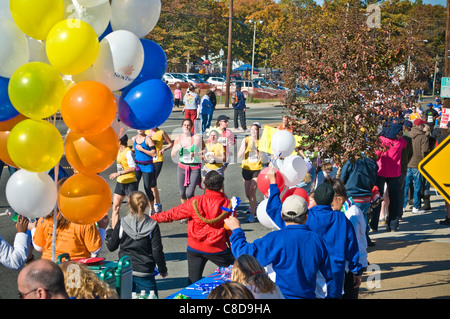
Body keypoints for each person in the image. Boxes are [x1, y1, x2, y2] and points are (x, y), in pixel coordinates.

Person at [225, 195, 334, 299]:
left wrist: (236, 230)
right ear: (306, 216)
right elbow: (329, 276)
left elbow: (244, 254)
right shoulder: (317, 240)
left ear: (281, 215)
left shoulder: (275, 239)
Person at [151, 171, 235, 285]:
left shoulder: (195, 202)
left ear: (204, 185)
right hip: (217, 248)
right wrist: (235, 250)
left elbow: (173, 214)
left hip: (195, 247)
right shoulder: (227, 205)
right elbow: (231, 230)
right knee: (238, 274)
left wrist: (151, 218)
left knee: (192, 283)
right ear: (221, 186)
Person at [106, 191, 168, 296]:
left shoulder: (122, 223)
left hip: (125, 269)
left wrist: (109, 232)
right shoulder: (152, 225)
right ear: (146, 205)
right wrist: (162, 269)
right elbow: (157, 251)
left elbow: (111, 246)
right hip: (145, 271)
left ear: (129, 205)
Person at [306, 183, 362, 298]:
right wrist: (355, 270)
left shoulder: (308, 217)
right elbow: (351, 246)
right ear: (332, 198)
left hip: (313, 270)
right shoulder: (341, 218)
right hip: (335, 271)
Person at [32, 178, 108, 261]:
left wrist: (33, 229)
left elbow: (39, 247)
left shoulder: (46, 218)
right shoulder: (84, 221)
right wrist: (102, 228)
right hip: (75, 268)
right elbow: (95, 249)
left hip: (50, 265)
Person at [325, 177, 367, 299]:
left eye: (330, 201)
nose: (329, 205)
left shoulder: (350, 214)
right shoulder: (345, 211)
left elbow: (349, 243)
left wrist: (355, 270)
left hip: (351, 266)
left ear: (339, 198)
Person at [370, 119, 407, 232]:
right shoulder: (400, 141)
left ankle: (374, 224)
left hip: (381, 171)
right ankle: (392, 224)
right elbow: (405, 144)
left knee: (377, 198)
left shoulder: (381, 140)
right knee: (394, 199)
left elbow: (376, 154)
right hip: (394, 173)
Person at [340, 154, 378, 246]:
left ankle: (354, 241)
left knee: (351, 218)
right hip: (366, 195)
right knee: (364, 219)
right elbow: (375, 174)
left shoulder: (352, 160)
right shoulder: (371, 160)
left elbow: (343, 176)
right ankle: (365, 239)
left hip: (352, 194)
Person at [171, 119, 204, 204]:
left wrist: (196, 153)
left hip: (194, 168)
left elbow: (205, 150)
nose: (186, 127)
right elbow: (173, 155)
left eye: (188, 125)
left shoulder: (197, 138)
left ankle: (193, 210)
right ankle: (186, 212)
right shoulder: (178, 139)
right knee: (182, 193)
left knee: (189, 194)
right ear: (182, 127)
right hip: (181, 167)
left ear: (191, 127)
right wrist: (177, 148)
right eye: (185, 125)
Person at [109, 134, 138, 227]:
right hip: (120, 183)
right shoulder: (118, 151)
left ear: (120, 142)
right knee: (115, 208)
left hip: (130, 183)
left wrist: (119, 173)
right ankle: (115, 232)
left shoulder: (128, 152)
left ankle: (134, 229)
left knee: (133, 209)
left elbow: (133, 168)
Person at [403, 119, 429, 215]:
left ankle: (403, 206)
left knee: (405, 186)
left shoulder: (407, 135)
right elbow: (425, 152)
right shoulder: (423, 137)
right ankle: (416, 206)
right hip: (418, 164)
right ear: (420, 126)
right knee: (417, 186)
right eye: (422, 125)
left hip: (407, 163)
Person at [238, 123, 262, 223]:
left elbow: (264, 157)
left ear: (258, 131)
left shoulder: (261, 142)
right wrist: (245, 147)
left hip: (256, 168)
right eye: (251, 129)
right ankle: (253, 205)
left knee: (252, 191)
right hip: (246, 168)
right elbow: (239, 155)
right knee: (248, 194)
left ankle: (252, 215)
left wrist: (256, 150)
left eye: (255, 130)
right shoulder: (245, 140)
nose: (253, 131)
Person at [146, 127, 173, 213]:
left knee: (152, 182)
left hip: (158, 159)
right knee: (152, 184)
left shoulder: (161, 132)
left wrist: (164, 149)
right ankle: (157, 204)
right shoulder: (146, 131)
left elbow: (170, 143)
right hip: (148, 159)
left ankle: (155, 205)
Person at [132, 130, 157, 214]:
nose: (139, 129)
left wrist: (142, 149)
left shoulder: (147, 139)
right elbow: (134, 150)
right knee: (134, 188)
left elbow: (154, 153)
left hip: (147, 167)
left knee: (147, 188)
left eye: (141, 127)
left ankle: (151, 208)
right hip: (138, 166)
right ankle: (135, 209)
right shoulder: (134, 139)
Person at [437, 122, 450, 225]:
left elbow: (435, 155)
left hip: (445, 171)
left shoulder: (442, 139)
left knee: (447, 195)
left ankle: (449, 216)